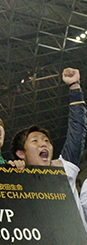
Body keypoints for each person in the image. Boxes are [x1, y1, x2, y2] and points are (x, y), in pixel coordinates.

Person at [9, 67, 87, 230]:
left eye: (46, 140)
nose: (43, 144)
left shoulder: (64, 168)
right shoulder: (16, 181)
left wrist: (74, 87)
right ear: (21, 153)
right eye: (35, 141)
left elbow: (77, 129)